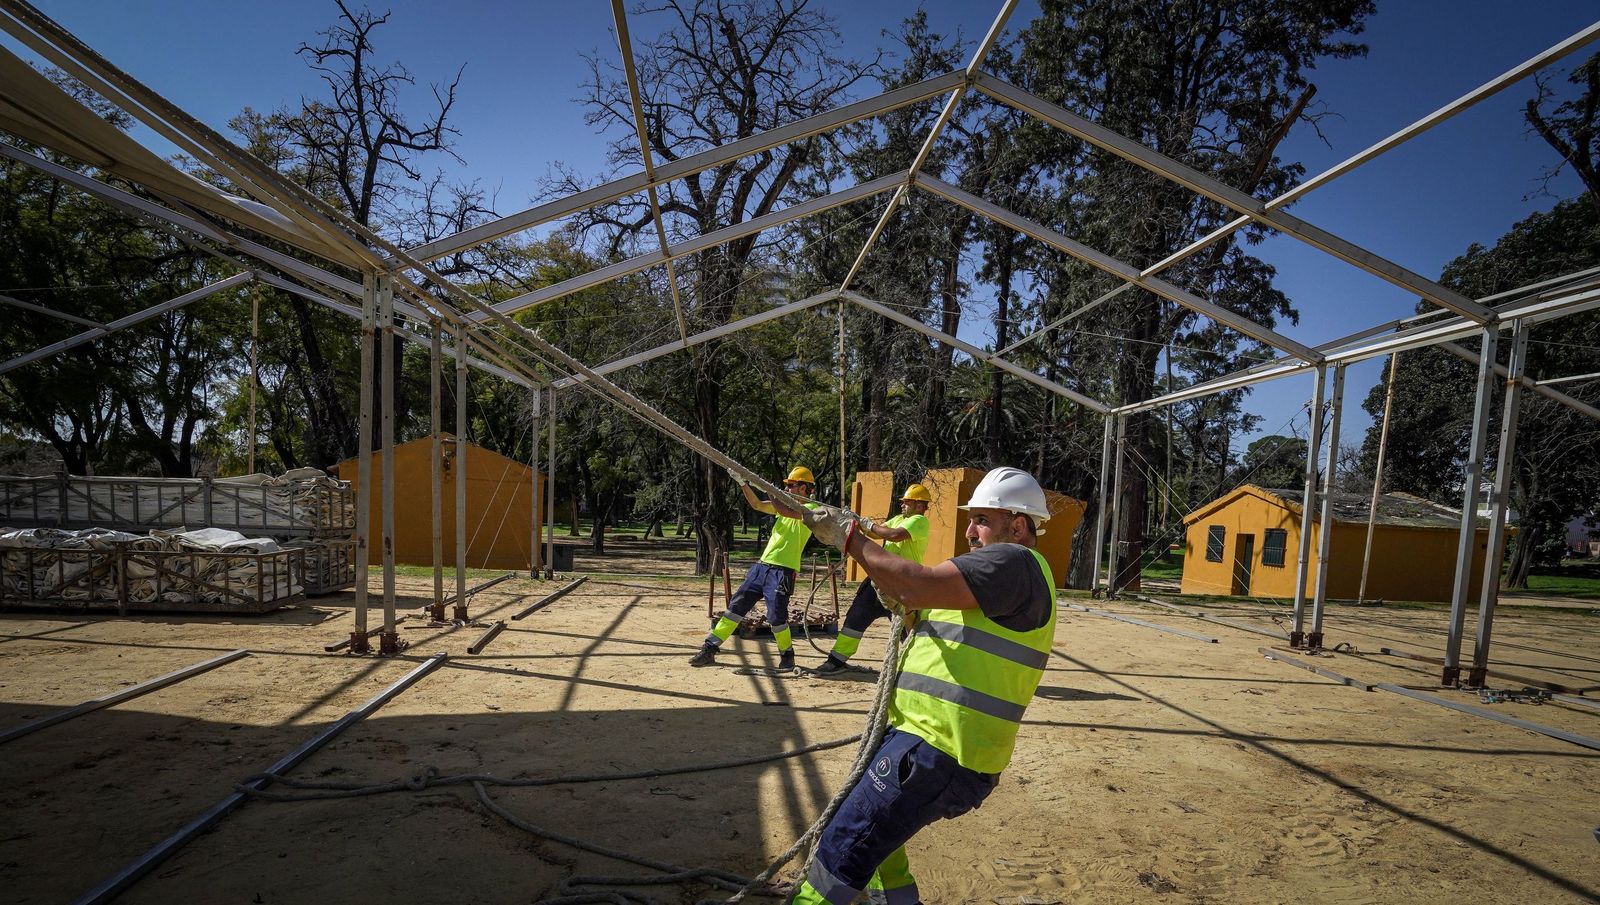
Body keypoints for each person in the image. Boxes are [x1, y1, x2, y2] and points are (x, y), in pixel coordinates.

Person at [791, 466, 1057, 905]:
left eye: (982, 520)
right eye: (971, 518)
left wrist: (849, 536)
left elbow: (916, 585)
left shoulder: (1012, 561)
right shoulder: (1003, 573)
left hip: (938, 747)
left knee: (845, 846)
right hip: (926, 741)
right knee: (878, 845)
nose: (970, 530)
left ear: (1019, 524)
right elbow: (927, 604)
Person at [689, 466, 821, 670]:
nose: (787, 489)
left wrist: (767, 487)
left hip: (783, 571)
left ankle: (787, 656)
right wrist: (743, 483)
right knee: (736, 608)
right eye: (786, 486)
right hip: (761, 567)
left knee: (776, 617)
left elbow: (785, 510)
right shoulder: (784, 505)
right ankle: (710, 648)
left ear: (803, 488)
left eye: (791, 485)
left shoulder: (811, 510)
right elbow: (757, 504)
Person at [807, 483, 932, 678]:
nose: (902, 505)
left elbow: (894, 535)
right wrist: (856, 522)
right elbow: (876, 533)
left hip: (901, 586)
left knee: (906, 629)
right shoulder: (899, 518)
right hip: (877, 581)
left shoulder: (919, 521)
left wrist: (869, 525)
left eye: (906, 502)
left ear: (919, 505)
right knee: (856, 617)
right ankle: (836, 660)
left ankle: (919, 668)